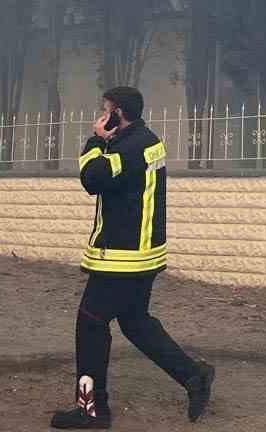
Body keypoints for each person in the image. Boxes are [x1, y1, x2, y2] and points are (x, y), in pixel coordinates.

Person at [50, 86, 216, 428]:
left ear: (117, 114)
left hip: (122, 258)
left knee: (90, 325)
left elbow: (91, 178)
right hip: (141, 256)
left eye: (105, 109)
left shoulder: (129, 147)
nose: (101, 115)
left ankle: (92, 410)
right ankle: (194, 375)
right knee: (135, 322)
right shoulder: (146, 141)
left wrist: (96, 139)